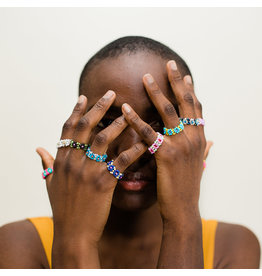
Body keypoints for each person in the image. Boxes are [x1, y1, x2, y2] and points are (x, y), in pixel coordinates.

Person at [0, 36, 260, 269]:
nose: (130, 151)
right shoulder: (20, 244)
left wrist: (183, 220)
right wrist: (74, 239)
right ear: (77, 130)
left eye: (158, 123)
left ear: (194, 138)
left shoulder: (232, 246)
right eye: (105, 123)